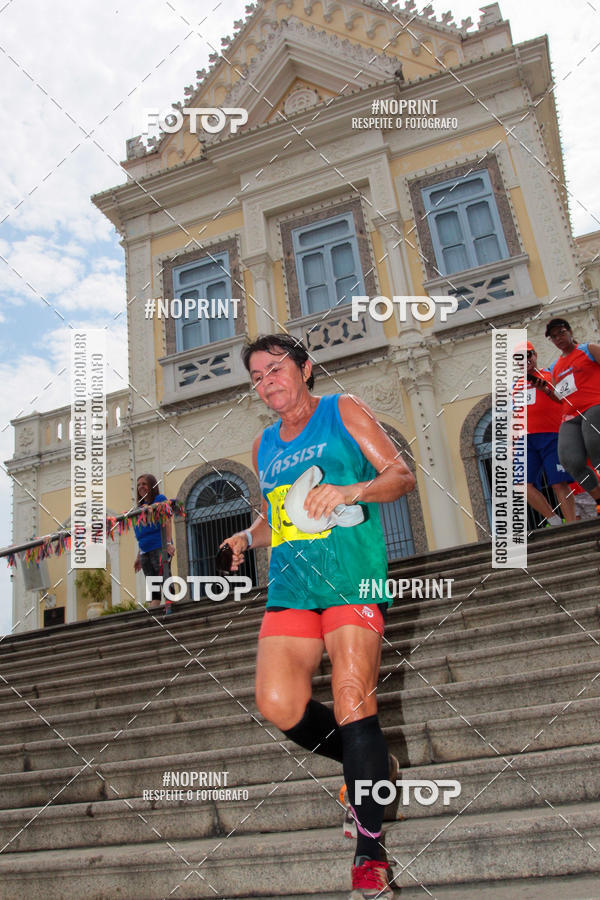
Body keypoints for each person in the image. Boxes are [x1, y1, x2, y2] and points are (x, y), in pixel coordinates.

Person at [222, 334, 415, 899]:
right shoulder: (263, 445)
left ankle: (369, 853)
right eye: (257, 377)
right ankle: (373, 766)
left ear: (305, 369)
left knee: (353, 694)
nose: (267, 383)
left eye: (275, 369)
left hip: (352, 574)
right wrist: (247, 536)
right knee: (277, 702)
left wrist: (350, 489)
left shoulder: (342, 410)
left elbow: (400, 477)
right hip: (291, 583)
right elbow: (276, 518)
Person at [546, 318, 600, 503]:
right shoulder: (554, 368)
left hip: (595, 404)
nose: (558, 338)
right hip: (571, 416)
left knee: (594, 443)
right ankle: (599, 500)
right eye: (554, 337)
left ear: (570, 331)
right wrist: (547, 391)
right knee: (570, 460)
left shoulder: (588, 349)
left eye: (561, 333)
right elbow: (560, 397)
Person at [522, 341, 575, 525]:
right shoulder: (515, 385)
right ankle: (555, 521)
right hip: (526, 439)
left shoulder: (550, 374)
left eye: (528, 355)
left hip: (552, 435)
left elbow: (566, 399)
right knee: (522, 485)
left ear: (535, 355)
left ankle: (572, 525)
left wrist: (545, 389)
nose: (524, 360)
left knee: (558, 482)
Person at [133, 474, 175, 612]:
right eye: (139, 485)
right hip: (144, 551)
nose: (141, 487)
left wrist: (168, 543)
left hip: (159, 546)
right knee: (152, 583)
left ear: (152, 486)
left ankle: (170, 607)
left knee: (164, 576)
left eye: (144, 484)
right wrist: (138, 556)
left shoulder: (159, 499)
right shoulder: (139, 508)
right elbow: (142, 534)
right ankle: (153, 611)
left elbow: (167, 521)